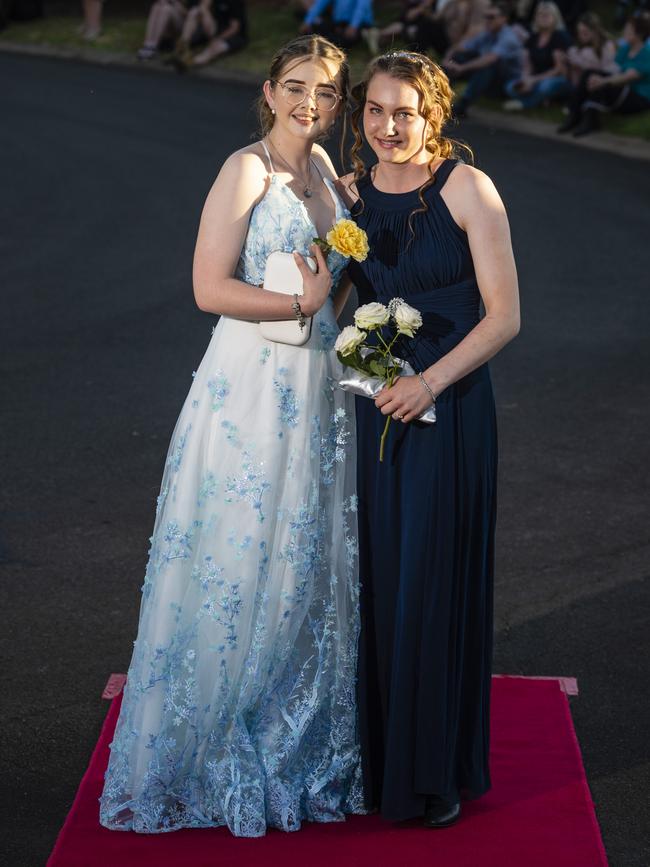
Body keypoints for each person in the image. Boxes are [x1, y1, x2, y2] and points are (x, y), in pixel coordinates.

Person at [99, 35, 364, 838]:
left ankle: (290, 722)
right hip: (249, 390)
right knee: (238, 550)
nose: (309, 103)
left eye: (324, 92)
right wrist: (301, 304)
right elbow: (207, 286)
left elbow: (329, 279)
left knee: (300, 559)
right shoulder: (246, 168)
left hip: (316, 387)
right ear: (268, 88)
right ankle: (207, 737)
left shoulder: (323, 172)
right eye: (295, 87)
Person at [339, 50, 520, 828]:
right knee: (384, 576)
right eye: (375, 111)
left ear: (433, 115)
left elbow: (504, 315)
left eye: (403, 111)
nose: (387, 126)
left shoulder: (469, 189)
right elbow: (326, 295)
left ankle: (434, 770)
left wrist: (431, 382)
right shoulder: (348, 196)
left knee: (433, 578)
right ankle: (381, 763)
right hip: (378, 405)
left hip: (450, 406)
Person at [558, 11, 650, 135]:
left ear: (640, 33)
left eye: (628, 30)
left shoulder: (646, 53)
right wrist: (597, 77)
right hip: (622, 89)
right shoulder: (625, 49)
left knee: (600, 81)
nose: (624, 32)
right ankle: (575, 114)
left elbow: (627, 77)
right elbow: (612, 69)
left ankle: (590, 119)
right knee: (590, 74)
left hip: (638, 98)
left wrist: (603, 81)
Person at [443, 1, 524, 116]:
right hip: (489, 76)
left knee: (488, 65)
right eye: (486, 17)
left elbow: (491, 59)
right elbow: (460, 47)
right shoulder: (487, 33)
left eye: (491, 17)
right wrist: (447, 60)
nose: (487, 20)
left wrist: (462, 68)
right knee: (458, 58)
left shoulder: (508, 37)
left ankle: (463, 104)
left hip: (507, 84)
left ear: (503, 19)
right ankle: (440, 97)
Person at [503, 1, 571, 110]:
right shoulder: (533, 37)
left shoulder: (560, 37)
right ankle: (542, 100)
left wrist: (533, 80)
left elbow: (558, 70)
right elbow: (527, 65)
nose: (543, 18)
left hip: (556, 79)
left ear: (555, 17)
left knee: (545, 87)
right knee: (511, 87)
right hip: (536, 78)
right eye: (540, 14)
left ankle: (526, 104)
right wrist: (526, 80)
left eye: (547, 15)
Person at [170, 0, 248, 70]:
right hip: (216, 30)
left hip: (233, 36)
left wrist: (218, 38)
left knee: (215, 47)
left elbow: (234, 28)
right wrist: (205, 9)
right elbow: (202, 10)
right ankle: (183, 45)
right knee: (196, 11)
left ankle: (192, 62)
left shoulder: (235, 2)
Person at [561, 12, 618, 88]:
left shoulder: (607, 45)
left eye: (585, 33)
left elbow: (608, 70)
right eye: (579, 32)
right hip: (578, 85)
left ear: (594, 31)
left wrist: (581, 64)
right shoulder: (577, 48)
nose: (581, 36)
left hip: (601, 83)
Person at [300, 0, 374, 48]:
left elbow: (361, 8)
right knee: (313, 28)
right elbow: (319, 4)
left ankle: (366, 34)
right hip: (338, 24)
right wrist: (307, 21)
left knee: (345, 40)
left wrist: (353, 26)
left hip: (358, 24)